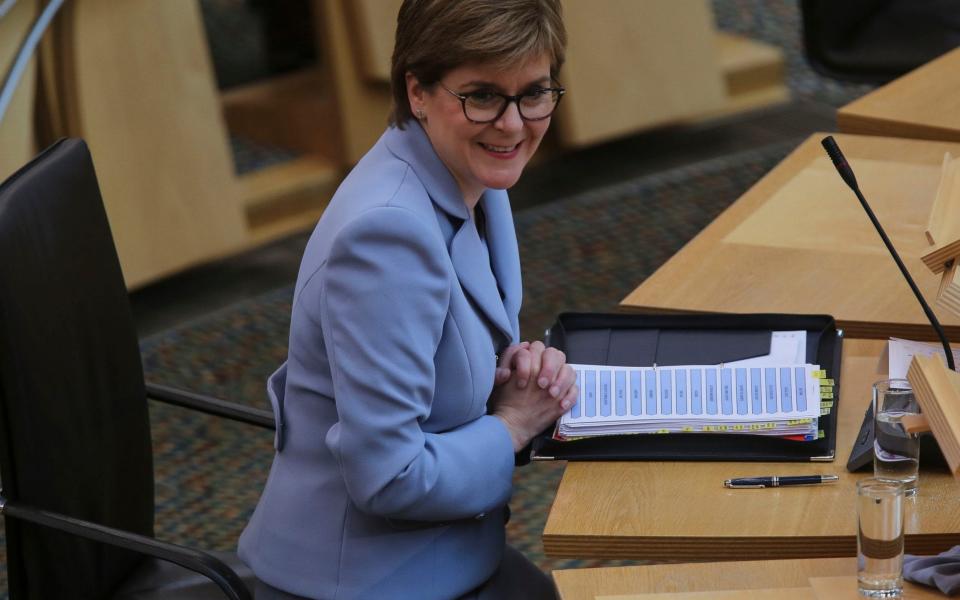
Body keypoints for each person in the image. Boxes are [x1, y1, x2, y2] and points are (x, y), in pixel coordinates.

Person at [239, 1, 574, 598]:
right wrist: (514, 426)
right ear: (416, 90)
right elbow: (390, 478)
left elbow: (442, 351)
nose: (514, 124)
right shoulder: (388, 235)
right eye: (482, 95)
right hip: (366, 581)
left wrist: (510, 378)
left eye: (535, 93)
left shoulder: (468, 173)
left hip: (448, 551)